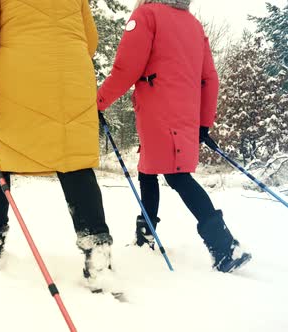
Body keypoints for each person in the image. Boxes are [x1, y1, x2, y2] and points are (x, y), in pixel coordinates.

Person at [0, 0, 116, 291]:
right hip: (71, 77)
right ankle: (99, 256)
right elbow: (89, 39)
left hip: (15, 78)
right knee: (74, 160)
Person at [96, 0, 251, 272]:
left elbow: (126, 69)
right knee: (150, 168)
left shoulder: (146, 14)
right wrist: (204, 123)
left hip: (157, 110)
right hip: (187, 115)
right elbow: (209, 78)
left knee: (176, 175)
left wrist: (96, 102)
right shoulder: (193, 24)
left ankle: (224, 246)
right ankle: (147, 236)